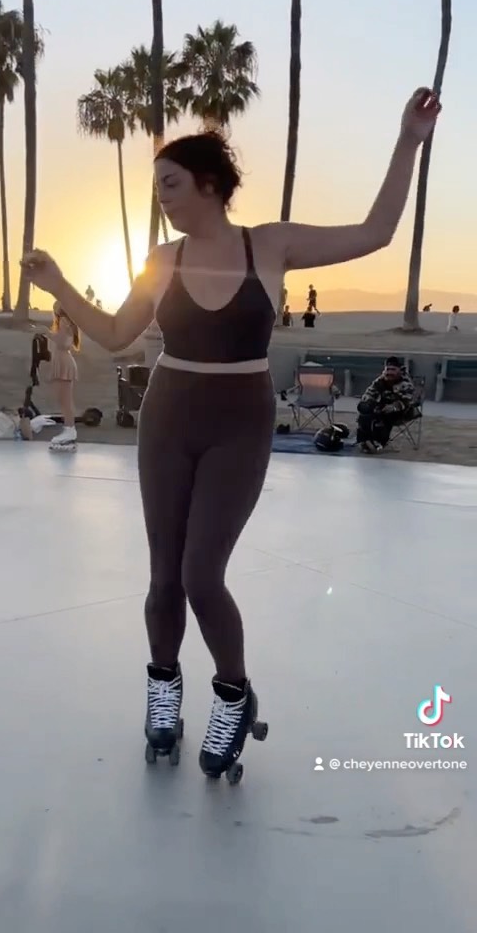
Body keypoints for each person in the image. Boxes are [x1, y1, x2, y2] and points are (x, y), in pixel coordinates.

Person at [23, 87, 441, 778]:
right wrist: (61, 284)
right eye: (157, 185)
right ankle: (164, 689)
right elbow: (117, 335)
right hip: (168, 417)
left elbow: (375, 232)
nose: (161, 196)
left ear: (209, 185)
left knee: (201, 575)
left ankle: (233, 694)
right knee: (164, 577)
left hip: (239, 423)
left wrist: (407, 141)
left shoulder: (269, 245)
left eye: (170, 182)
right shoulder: (163, 260)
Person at [356, 357, 417, 453]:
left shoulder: (406, 383)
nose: (390, 372)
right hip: (383, 407)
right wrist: (367, 402)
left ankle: (380, 441)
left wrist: (394, 407)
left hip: (403, 411)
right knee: (364, 413)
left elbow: (409, 401)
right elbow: (369, 393)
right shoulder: (380, 381)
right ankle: (364, 440)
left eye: (393, 369)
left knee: (385, 415)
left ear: (399, 370)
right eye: (388, 369)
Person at [43, 301, 80, 449]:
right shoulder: (65, 321)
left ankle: (70, 429)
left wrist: (47, 333)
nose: (54, 307)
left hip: (64, 362)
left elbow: (63, 343)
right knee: (63, 399)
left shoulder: (64, 321)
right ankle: (68, 428)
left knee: (65, 400)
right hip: (62, 361)